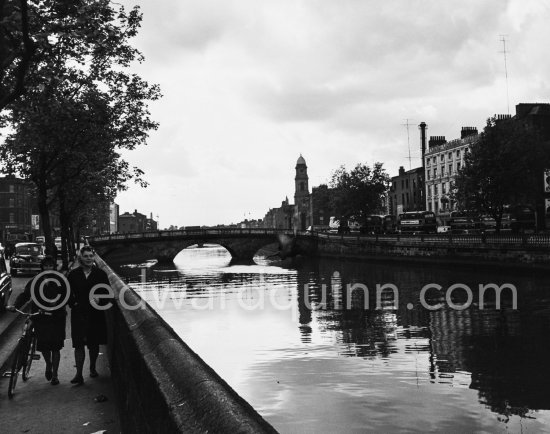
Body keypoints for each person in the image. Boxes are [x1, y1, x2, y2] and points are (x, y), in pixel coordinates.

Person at [9, 256, 67, 385]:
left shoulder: (60, 280)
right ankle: (48, 364)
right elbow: (25, 294)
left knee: (56, 347)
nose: (48, 268)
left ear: (53, 267)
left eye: (50, 266)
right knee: (45, 345)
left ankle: (55, 375)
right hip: (40, 316)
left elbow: (66, 295)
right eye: (45, 266)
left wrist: (58, 304)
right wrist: (16, 305)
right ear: (42, 267)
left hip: (56, 317)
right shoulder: (35, 281)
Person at [67, 245, 111, 385]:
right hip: (79, 314)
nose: (88, 259)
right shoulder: (73, 275)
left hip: (95, 314)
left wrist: (100, 299)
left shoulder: (100, 274)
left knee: (93, 344)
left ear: (94, 258)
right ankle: (79, 374)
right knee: (78, 344)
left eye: (91, 256)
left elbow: (109, 294)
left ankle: (92, 367)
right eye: (85, 256)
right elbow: (67, 294)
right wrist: (72, 303)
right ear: (81, 258)